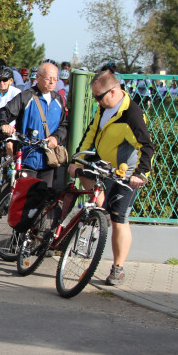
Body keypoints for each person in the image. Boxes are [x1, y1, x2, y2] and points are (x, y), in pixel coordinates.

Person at [71, 66, 154, 286]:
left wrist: (141, 173)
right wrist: (77, 159)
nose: (97, 102)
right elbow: (91, 132)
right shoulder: (103, 108)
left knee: (120, 219)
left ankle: (118, 268)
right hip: (103, 164)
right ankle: (99, 214)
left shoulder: (132, 114)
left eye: (99, 97)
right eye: (95, 97)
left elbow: (146, 146)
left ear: (114, 92)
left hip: (124, 172)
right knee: (91, 193)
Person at [0, 61, 67, 188]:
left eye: (55, 79)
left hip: (49, 159)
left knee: (43, 199)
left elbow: (63, 125)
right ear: (38, 77)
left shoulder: (58, 99)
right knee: (25, 197)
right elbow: (4, 112)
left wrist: (56, 138)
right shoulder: (26, 96)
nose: (52, 82)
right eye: (49, 78)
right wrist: (4, 124)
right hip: (27, 157)